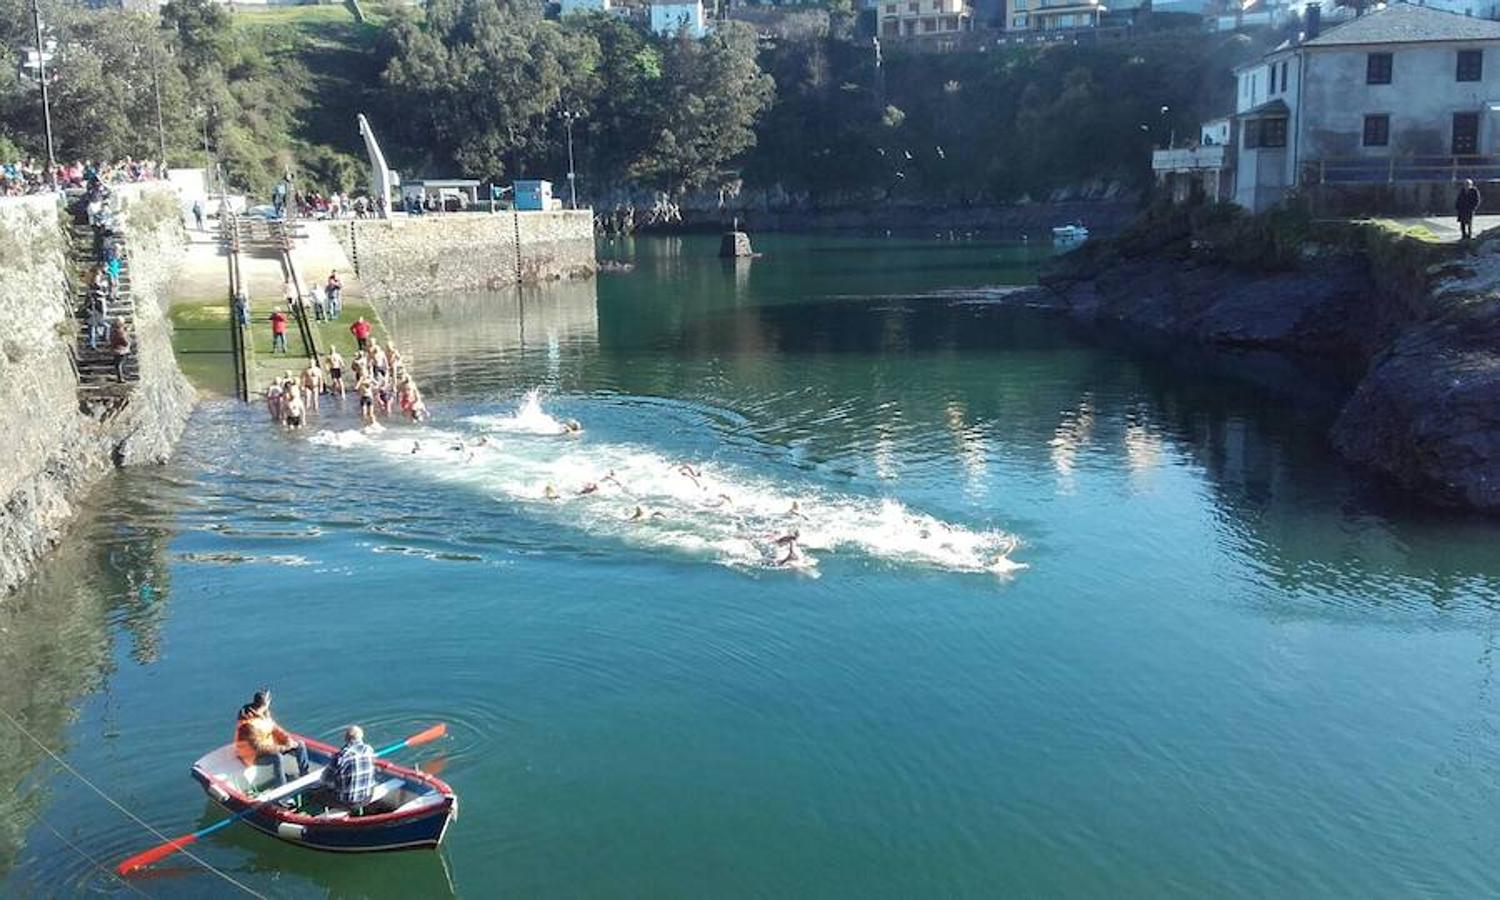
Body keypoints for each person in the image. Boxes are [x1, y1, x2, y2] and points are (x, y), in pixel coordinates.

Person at [234, 690, 309, 790]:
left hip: (269, 747)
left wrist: (288, 740)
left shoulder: (264, 714)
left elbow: (275, 729)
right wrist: (284, 747)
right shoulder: (248, 725)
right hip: (253, 755)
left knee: (300, 745)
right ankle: (282, 789)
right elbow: (258, 748)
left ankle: (305, 776)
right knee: (277, 757)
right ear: (266, 703)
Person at [321, 725, 377, 811]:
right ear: (361, 736)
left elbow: (325, 779)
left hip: (347, 802)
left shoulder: (341, 756)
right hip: (367, 798)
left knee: (319, 794)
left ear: (346, 738)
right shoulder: (369, 750)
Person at [109, 318, 131, 382]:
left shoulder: (112, 330)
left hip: (115, 349)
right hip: (121, 350)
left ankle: (122, 376)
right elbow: (125, 341)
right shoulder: (120, 331)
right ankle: (121, 377)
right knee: (120, 364)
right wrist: (128, 342)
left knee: (118, 365)